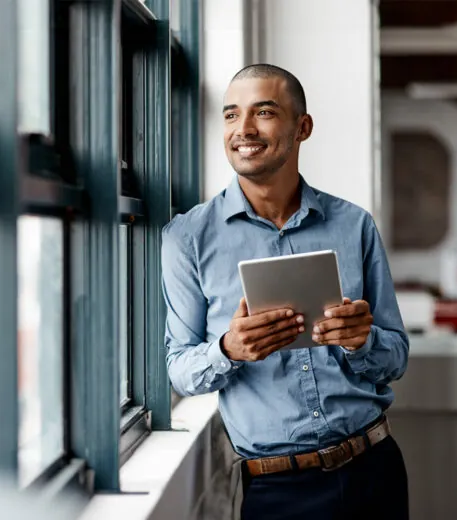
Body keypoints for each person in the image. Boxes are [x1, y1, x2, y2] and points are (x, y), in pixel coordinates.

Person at [161, 63, 410, 520]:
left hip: (374, 470)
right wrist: (229, 349)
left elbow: (396, 357)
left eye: (264, 112)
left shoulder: (354, 225)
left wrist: (362, 341)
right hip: (277, 491)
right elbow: (177, 368)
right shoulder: (188, 238)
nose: (244, 129)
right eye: (232, 115)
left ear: (303, 127)